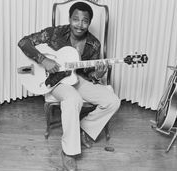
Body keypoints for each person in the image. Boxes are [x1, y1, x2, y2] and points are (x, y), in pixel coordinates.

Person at [18, 2, 120, 171]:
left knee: (113, 101)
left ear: (89, 22)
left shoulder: (93, 44)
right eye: (76, 19)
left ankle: (84, 130)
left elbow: (88, 75)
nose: (80, 25)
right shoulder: (55, 33)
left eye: (85, 21)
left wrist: (97, 75)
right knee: (73, 99)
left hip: (76, 78)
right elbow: (23, 42)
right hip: (54, 80)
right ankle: (69, 152)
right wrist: (44, 60)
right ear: (69, 19)